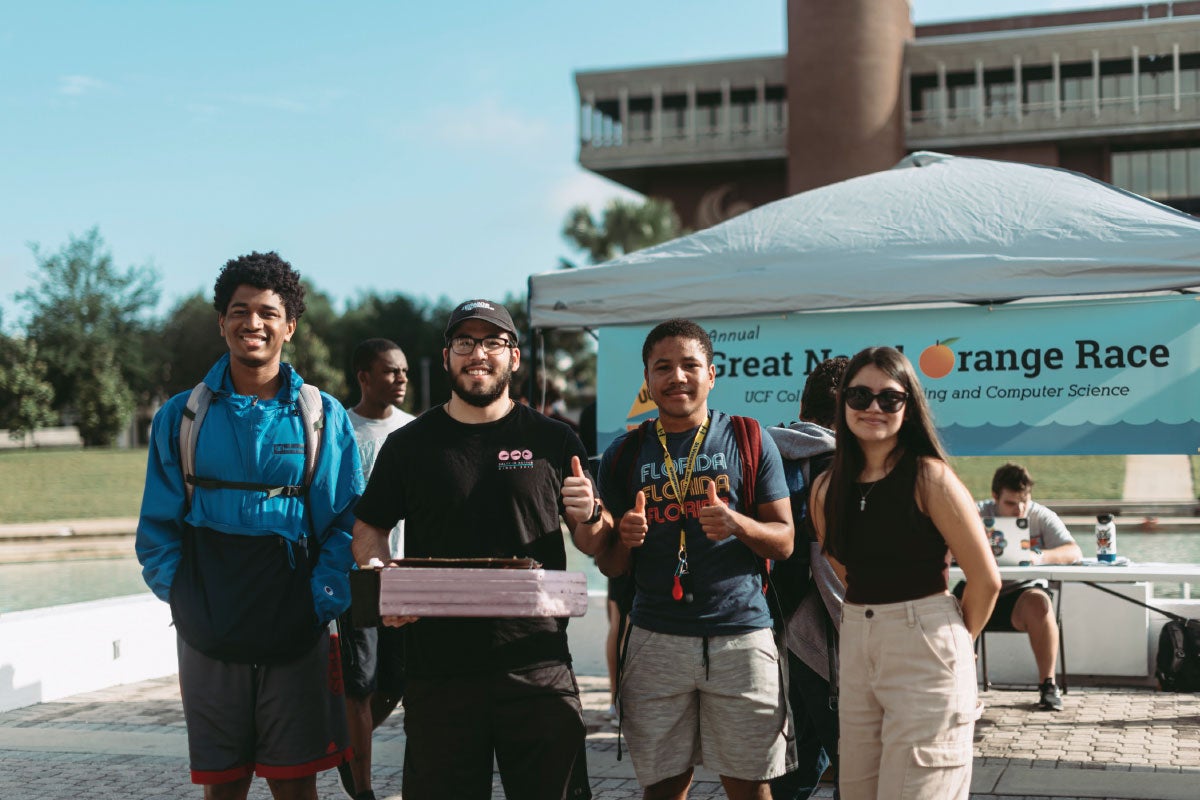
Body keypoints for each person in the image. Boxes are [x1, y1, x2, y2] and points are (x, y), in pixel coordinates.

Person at [351, 298, 611, 800]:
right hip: (437, 670)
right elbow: (368, 530)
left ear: (514, 357)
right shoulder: (410, 445)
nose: (479, 354)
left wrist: (591, 514)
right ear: (447, 355)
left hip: (536, 664)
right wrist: (383, 579)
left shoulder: (554, 439)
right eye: (466, 342)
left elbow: (596, 544)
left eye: (493, 342)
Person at [136, 252, 362, 800]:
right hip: (207, 625)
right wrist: (185, 597)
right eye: (239, 311)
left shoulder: (322, 416)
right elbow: (157, 528)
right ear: (221, 322)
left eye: (267, 311)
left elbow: (346, 523)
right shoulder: (182, 416)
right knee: (224, 786)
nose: (252, 323)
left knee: (295, 786)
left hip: (295, 623)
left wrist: (320, 599)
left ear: (290, 325)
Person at [595, 318, 795, 800]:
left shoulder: (749, 438)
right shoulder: (624, 453)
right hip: (655, 639)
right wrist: (624, 537)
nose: (677, 377)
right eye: (662, 367)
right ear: (647, 380)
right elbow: (611, 565)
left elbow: (785, 541)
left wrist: (736, 523)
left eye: (689, 365)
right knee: (663, 789)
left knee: (750, 788)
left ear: (711, 374)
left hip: (741, 639)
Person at [809, 346, 1000, 800]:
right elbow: (845, 569)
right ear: (842, 404)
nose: (873, 407)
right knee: (856, 789)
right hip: (856, 638)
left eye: (889, 398)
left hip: (926, 642)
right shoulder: (824, 489)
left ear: (908, 407)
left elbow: (986, 579)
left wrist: (947, 642)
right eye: (859, 396)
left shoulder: (928, 478)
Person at [336, 338, 416, 800]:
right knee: (359, 686)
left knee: (400, 681)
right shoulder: (340, 429)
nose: (401, 378)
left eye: (404, 370)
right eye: (390, 371)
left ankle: (346, 745)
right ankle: (361, 788)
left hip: (405, 577)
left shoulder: (416, 431)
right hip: (358, 578)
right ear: (364, 376)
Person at [766, 356, 848, 800]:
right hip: (832, 641)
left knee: (794, 773)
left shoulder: (767, 450)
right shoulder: (844, 465)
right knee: (856, 771)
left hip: (777, 631)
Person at [964, 462, 1081, 712]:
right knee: (947, 605)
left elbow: (1073, 551)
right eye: (1010, 503)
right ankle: (959, 687)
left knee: (1039, 603)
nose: (1019, 509)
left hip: (1020, 594)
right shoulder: (974, 513)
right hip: (979, 591)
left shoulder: (1040, 515)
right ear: (994, 497)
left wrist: (1040, 557)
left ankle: (1048, 685)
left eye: (1024, 501)